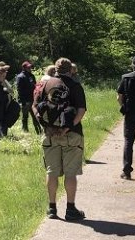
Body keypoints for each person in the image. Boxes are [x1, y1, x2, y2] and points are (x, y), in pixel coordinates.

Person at [33, 57, 87, 221]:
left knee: (52, 171)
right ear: (70, 69)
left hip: (50, 135)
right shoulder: (75, 86)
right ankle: (70, 210)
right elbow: (81, 110)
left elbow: (35, 107)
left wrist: (46, 126)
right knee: (71, 173)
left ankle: (52, 208)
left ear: (55, 69)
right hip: (72, 135)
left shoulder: (44, 84)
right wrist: (67, 128)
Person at [16, 61, 40, 133]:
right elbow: (19, 90)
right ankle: (25, 130)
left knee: (35, 115)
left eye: (30, 67)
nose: (30, 68)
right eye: (28, 67)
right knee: (25, 116)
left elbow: (35, 86)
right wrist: (23, 101)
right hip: (25, 100)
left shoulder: (31, 76)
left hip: (32, 99)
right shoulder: (20, 77)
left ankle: (38, 130)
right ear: (24, 68)